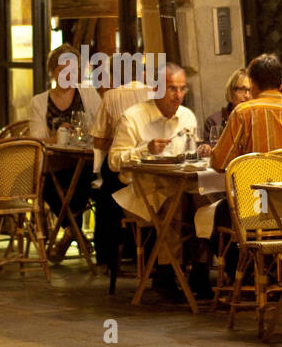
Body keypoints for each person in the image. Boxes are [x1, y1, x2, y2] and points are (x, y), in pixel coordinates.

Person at [207, 53, 282, 292]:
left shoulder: (243, 114)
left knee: (220, 212)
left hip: (254, 209)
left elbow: (218, 162)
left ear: (253, 84)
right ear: (281, 84)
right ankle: (279, 272)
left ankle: (246, 274)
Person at [108, 63, 213, 301]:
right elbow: (114, 161)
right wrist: (146, 149)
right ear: (156, 89)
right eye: (172, 89)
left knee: (206, 202)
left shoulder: (186, 116)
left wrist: (201, 150)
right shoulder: (133, 117)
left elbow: (189, 152)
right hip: (143, 190)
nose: (178, 95)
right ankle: (166, 273)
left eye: (182, 89)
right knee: (174, 204)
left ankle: (200, 271)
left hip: (180, 184)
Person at [29, 45, 102, 260]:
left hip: (85, 162)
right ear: (53, 71)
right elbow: (36, 138)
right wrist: (59, 136)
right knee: (47, 184)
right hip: (55, 164)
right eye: (63, 69)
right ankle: (75, 232)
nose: (68, 74)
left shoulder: (88, 94)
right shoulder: (40, 101)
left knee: (83, 175)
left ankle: (71, 233)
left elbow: (101, 126)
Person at [89, 70, 154, 272]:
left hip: (127, 168)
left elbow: (98, 141)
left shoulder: (112, 96)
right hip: (154, 169)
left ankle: (107, 255)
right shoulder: (157, 94)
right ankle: (147, 254)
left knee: (104, 191)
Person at [202, 68, 252, 143]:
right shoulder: (214, 121)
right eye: (241, 89)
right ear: (231, 91)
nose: (247, 95)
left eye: (250, 90)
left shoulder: (259, 119)